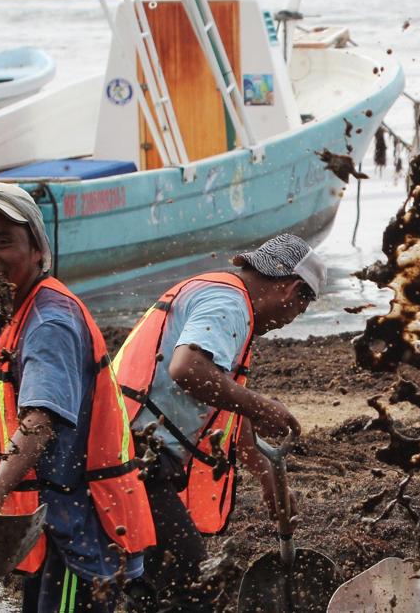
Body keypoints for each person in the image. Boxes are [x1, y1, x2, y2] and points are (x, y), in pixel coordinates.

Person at [0, 179, 155, 613]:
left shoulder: (49, 321)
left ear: (38, 252)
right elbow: (9, 407)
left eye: (3, 242)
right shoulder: (4, 314)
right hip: (49, 521)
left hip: (82, 523)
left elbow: (40, 418)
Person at [111, 233, 324, 612]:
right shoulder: (228, 303)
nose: (287, 322)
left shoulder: (222, 297)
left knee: (147, 589)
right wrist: (262, 406)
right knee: (196, 590)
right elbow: (187, 369)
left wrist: (267, 475)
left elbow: (227, 411)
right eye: (298, 312)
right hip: (136, 461)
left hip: (124, 455)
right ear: (292, 291)